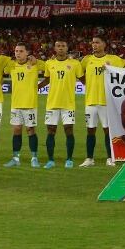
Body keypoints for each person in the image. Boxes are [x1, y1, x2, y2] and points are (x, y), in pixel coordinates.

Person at [81, 36, 125, 167]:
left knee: (108, 130)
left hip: (107, 102)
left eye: (97, 43)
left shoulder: (114, 59)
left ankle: (110, 158)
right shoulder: (86, 60)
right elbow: (79, 74)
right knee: (90, 130)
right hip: (90, 102)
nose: (94, 45)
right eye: (93, 42)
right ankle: (89, 158)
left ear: (104, 44)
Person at [42, 40, 83, 169]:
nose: (60, 48)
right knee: (51, 132)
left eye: (63, 46)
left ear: (67, 48)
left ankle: (69, 159)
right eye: (58, 46)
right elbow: (47, 79)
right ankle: (50, 160)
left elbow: (83, 79)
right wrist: (35, 87)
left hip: (68, 104)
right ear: (54, 48)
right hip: (52, 103)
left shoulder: (75, 64)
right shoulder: (49, 63)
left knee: (69, 131)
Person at [6, 44, 42, 167]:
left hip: (30, 104)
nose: (18, 53)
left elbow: (49, 68)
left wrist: (36, 60)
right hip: (15, 104)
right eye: (16, 51)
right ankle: (15, 158)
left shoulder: (34, 64)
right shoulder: (11, 65)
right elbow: (2, 70)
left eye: (21, 51)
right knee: (16, 131)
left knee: (30, 130)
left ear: (27, 53)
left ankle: (34, 158)